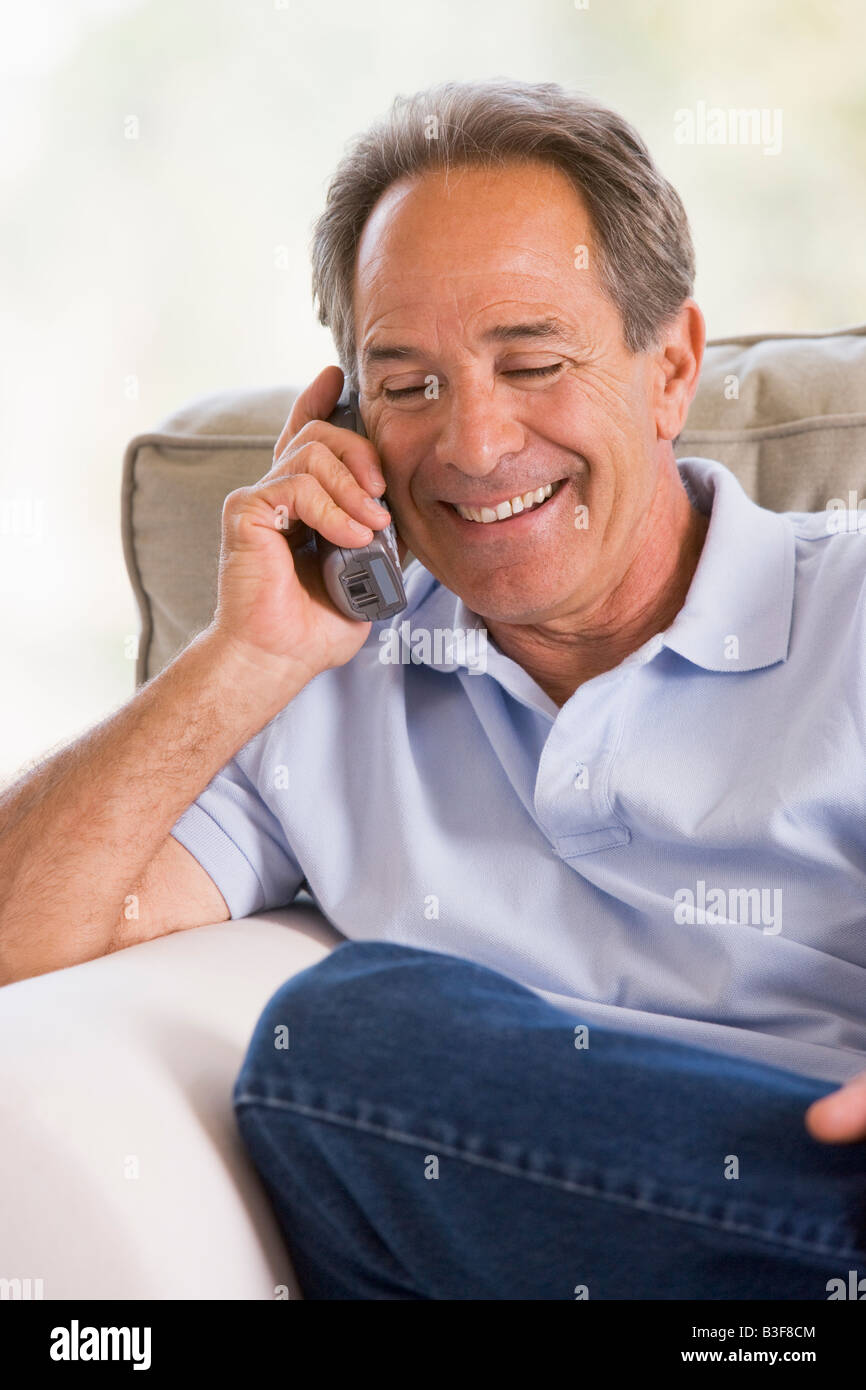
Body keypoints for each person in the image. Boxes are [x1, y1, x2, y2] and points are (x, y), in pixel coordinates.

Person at [1, 79, 864, 1299]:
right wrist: (245, 657)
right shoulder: (310, 688)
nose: (470, 444)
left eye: (530, 361)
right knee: (359, 1045)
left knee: (348, 1051)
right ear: (343, 415)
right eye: (406, 386)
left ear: (669, 366)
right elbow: (16, 940)